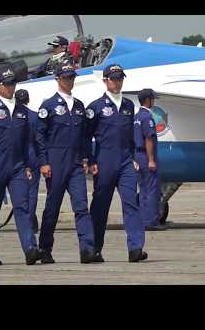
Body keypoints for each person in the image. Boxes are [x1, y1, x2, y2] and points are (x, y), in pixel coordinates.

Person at [0, 67, 41, 266]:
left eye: (13, 83)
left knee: (23, 207)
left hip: (18, 166)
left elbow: (27, 142)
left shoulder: (22, 112)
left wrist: (29, 165)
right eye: (7, 84)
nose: (11, 87)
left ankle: (30, 249)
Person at [86, 64, 148, 263]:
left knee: (131, 203)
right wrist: (91, 160)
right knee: (100, 206)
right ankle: (95, 248)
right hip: (104, 161)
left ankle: (135, 248)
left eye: (120, 78)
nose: (117, 82)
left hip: (125, 162)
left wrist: (134, 158)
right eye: (113, 78)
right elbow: (86, 136)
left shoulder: (129, 106)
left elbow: (131, 135)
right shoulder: (95, 107)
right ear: (105, 80)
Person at [35, 63, 96, 264]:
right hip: (55, 161)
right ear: (58, 79)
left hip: (76, 163)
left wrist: (87, 158)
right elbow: (39, 136)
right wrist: (44, 162)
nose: (70, 81)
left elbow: (85, 136)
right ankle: (44, 248)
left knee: (81, 207)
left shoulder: (79, 106)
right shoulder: (49, 106)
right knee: (52, 207)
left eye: (72, 78)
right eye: (66, 77)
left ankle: (87, 249)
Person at [134, 88, 167, 231]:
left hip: (138, 156)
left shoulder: (136, 117)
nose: (153, 101)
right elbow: (149, 139)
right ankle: (151, 221)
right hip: (147, 157)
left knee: (143, 190)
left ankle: (142, 219)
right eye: (152, 99)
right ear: (148, 100)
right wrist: (151, 160)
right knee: (152, 189)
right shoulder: (147, 117)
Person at [15, 89, 40, 233]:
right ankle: (30, 221)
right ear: (28, 100)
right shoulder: (35, 117)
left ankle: (25, 220)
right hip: (33, 155)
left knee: (19, 191)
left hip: (18, 155)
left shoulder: (14, 115)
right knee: (32, 192)